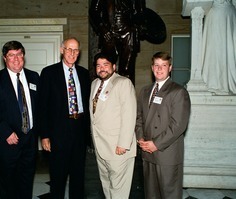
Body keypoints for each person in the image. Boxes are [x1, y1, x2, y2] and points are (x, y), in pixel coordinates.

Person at [0, 41, 39, 199]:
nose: (16, 58)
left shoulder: (34, 77)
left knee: (26, 181)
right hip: (7, 141)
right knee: (8, 184)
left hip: (30, 141)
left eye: (19, 54)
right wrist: (6, 132)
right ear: (4, 58)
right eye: (11, 55)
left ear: (23, 56)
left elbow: (39, 106)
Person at [38, 37, 91, 198]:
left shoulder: (84, 73)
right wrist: (45, 135)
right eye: (69, 49)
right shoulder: (48, 73)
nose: (72, 53)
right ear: (62, 50)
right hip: (57, 131)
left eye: (75, 50)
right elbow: (42, 106)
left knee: (78, 175)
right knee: (58, 175)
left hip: (79, 129)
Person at [136, 51, 191, 199]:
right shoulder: (145, 91)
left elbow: (178, 125)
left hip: (167, 154)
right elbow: (139, 117)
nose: (159, 69)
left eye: (164, 65)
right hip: (147, 152)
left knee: (169, 195)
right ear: (152, 68)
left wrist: (156, 144)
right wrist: (140, 139)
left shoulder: (178, 92)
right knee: (151, 194)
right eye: (156, 65)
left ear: (170, 68)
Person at [89, 52, 137, 198]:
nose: (102, 68)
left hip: (118, 148)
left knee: (119, 190)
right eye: (98, 65)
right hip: (101, 146)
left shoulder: (123, 83)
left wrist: (123, 144)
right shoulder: (94, 84)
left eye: (105, 65)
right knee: (106, 185)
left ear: (114, 66)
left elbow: (129, 115)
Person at [89, 0, 166, 83]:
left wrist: (140, 27)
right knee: (106, 66)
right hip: (109, 31)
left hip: (128, 31)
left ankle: (126, 91)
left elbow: (140, 12)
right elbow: (93, 11)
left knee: (127, 70)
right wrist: (102, 28)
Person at [201, 0, 236, 94]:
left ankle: (223, 82)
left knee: (226, 48)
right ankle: (216, 81)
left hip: (227, 12)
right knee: (215, 48)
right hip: (219, 12)